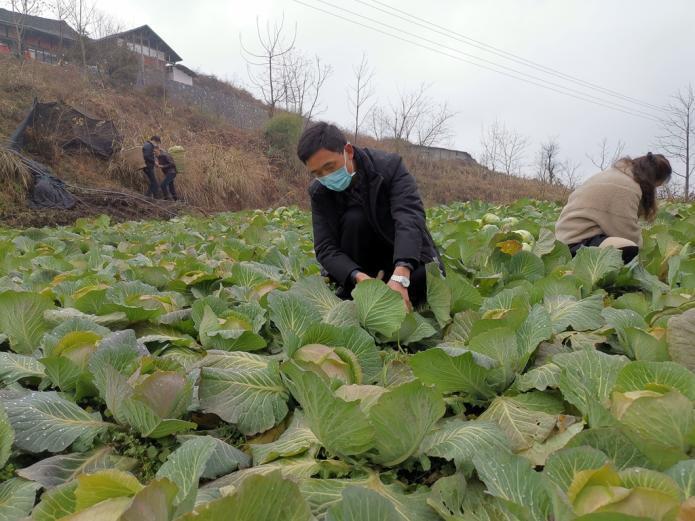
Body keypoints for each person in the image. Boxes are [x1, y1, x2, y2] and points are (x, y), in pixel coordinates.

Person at [297, 122, 442, 310]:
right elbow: (325, 247)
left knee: (425, 282)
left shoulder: (389, 167)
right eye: (317, 173)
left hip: (400, 255)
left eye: (330, 166)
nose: (326, 177)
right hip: (362, 265)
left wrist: (401, 275)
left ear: (348, 151)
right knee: (354, 219)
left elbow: (409, 217)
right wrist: (357, 277)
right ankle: (357, 293)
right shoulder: (319, 193)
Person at [555, 152, 672, 263]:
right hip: (576, 244)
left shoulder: (616, 174)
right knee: (630, 248)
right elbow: (626, 232)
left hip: (565, 238)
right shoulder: (628, 187)